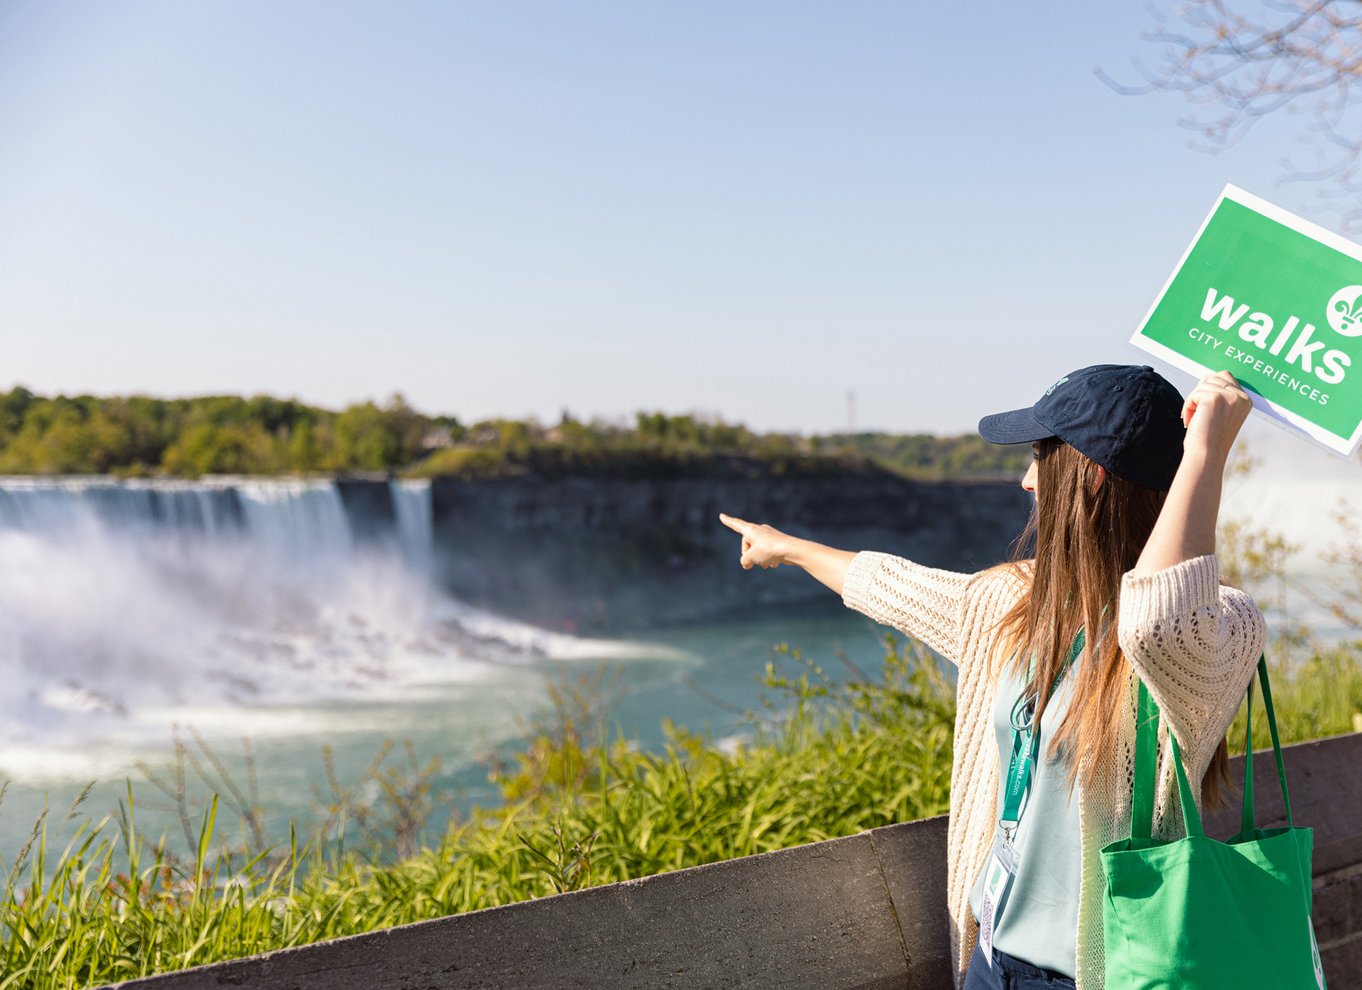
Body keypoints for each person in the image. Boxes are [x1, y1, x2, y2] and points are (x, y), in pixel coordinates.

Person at [718, 364, 1266, 990]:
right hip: (991, 959)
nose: (1026, 480)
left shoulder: (1221, 627)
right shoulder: (1019, 601)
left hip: (1107, 974)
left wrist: (1206, 451)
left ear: (1088, 476)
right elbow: (893, 585)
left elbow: (1159, 623)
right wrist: (785, 546)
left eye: (1039, 458)